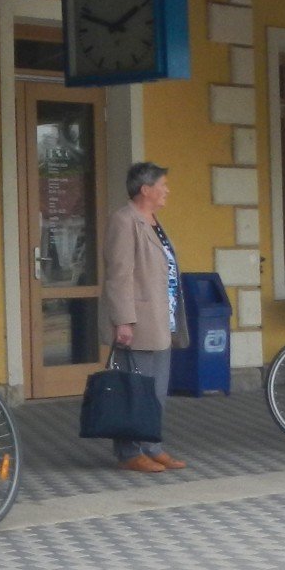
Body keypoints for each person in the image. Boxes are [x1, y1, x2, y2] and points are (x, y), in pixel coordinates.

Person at [100, 162, 187, 474]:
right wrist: (123, 319)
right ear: (145, 189)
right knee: (134, 390)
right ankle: (129, 452)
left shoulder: (152, 221)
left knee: (156, 390)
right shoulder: (124, 221)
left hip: (163, 319)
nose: (167, 191)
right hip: (138, 321)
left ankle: (152, 446)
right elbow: (118, 274)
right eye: (162, 185)